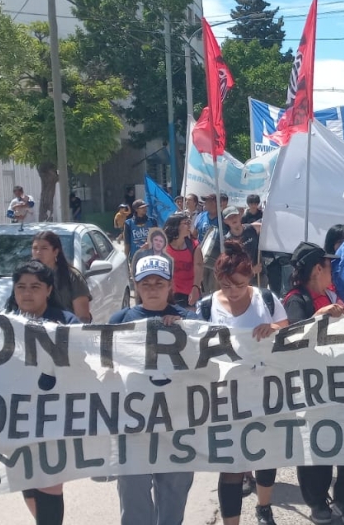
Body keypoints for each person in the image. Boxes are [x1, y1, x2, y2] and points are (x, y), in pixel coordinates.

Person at [198, 241, 288, 525]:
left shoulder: (267, 300)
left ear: (249, 278)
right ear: (217, 280)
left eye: (239, 285)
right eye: (226, 285)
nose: (233, 292)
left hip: (264, 393)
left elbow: (289, 333)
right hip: (224, 399)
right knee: (231, 467)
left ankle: (264, 506)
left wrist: (273, 328)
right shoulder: (205, 307)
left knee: (265, 455)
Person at [109, 255, 197, 525]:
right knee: (133, 496)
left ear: (170, 286)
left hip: (177, 425)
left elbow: (207, 368)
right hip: (132, 426)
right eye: (146, 283)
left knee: (173, 497)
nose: (152, 288)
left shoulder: (189, 320)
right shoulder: (120, 320)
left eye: (159, 282)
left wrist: (185, 332)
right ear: (136, 285)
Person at [281, 242, 344, 525]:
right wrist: (319, 316)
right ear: (318, 269)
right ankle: (317, 501)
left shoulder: (331, 294)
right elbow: (293, 338)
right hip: (313, 389)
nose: (333, 271)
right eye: (329, 266)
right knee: (317, 446)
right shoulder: (296, 300)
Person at [4, 260, 81, 525]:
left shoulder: (67, 323)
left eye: (35, 287)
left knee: (49, 484)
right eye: (21, 287)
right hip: (16, 419)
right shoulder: (1, 323)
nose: (27, 293)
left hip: (54, 420)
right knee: (27, 483)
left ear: (48, 290)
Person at [31, 230, 92, 322]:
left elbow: (83, 317)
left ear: (55, 252)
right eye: (35, 248)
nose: (38, 252)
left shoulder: (72, 277)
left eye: (44, 248)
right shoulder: (26, 277)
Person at [164, 214, 203, 307]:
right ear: (175, 226)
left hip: (190, 292)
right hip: (170, 293)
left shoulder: (194, 245)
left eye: (190, 222)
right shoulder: (164, 246)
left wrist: (196, 288)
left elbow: (199, 266)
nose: (189, 225)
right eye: (186, 223)